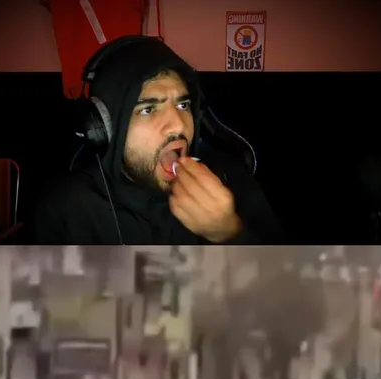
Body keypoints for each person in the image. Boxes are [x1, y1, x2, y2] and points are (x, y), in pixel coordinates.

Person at [33, 35, 283, 245]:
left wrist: (231, 233)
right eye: (148, 109)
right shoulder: (67, 207)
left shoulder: (232, 181)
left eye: (183, 105)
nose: (178, 125)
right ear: (106, 128)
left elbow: (287, 283)